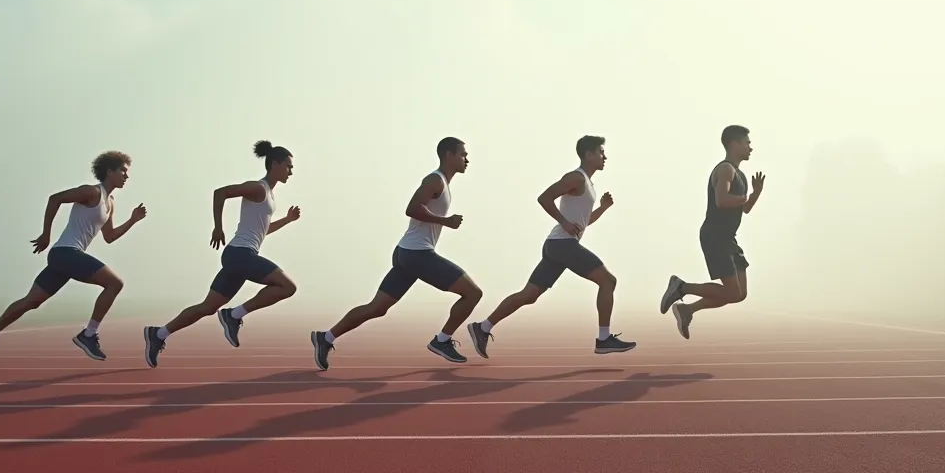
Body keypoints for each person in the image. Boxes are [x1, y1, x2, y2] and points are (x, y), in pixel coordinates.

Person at [310, 136, 483, 370]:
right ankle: (441, 341)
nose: (467, 159)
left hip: (407, 254)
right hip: (417, 255)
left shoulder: (443, 183)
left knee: (377, 307)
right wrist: (445, 221)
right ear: (448, 155)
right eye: (463, 154)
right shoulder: (435, 180)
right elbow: (411, 209)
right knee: (472, 293)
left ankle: (326, 337)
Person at [0, 151, 146, 367]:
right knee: (115, 283)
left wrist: (132, 220)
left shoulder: (110, 202)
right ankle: (89, 334)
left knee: (31, 302)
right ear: (109, 171)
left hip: (65, 258)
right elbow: (55, 199)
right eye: (123, 171)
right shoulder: (90, 192)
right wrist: (46, 234)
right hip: (66, 253)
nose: (126, 176)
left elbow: (109, 237)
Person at [466, 135, 635, 358]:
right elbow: (544, 198)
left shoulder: (588, 184)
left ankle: (482, 327)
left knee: (529, 294)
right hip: (562, 245)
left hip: (558, 246)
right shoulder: (576, 177)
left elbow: (582, 223)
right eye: (601, 152)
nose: (605, 157)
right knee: (608, 280)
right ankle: (604, 339)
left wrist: (602, 208)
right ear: (588, 154)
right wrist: (563, 221)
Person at [142, 140, 300, 367]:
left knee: (207, 307)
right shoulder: (258, 188)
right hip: (239, 254)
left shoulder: (270, 197)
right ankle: (233, 315)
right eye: (288, 166)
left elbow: (263, 231)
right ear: (275, 163)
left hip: (239, 257)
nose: (291, 172)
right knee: (288, 286)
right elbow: (221, 192)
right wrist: (218, 226)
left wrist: (287, 219)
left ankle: (158, 334)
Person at [658, 125, 765, 338]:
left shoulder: (740, 174)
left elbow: (745, 209)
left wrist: (756, 193)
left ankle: (686, 309)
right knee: (732, 292)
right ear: (734, 144)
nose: (751, 148)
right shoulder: (725, 169)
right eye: (747, 143)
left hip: (728, 238)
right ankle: (681, 287)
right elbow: (722, 200)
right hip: (715, 236)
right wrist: (746, 197)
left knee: (739, 294)